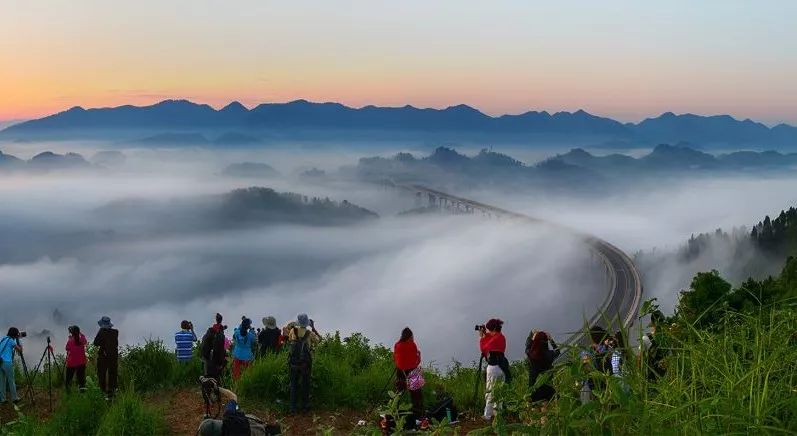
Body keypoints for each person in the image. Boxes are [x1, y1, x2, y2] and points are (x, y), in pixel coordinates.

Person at [284, 313, 321, 414]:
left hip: (293, 362)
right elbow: (319, 340)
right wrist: (313, 327)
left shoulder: (293, 330)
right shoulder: (310, 333)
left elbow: (290, 340)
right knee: (305, 385)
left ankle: (292, 408)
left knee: (293, 385)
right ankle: (304, 407)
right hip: (305, 363)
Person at [393, 327, 426, 426]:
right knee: (416, 395)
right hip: (412, 371)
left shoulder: (397, 344)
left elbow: (396, 358)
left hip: (400, 371)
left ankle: (394, 412)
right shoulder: (412, 345)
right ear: (410, 336)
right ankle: (419, 416)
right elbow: (416, 361)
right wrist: (419, 354)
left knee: (398, 393)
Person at [478, 318, 506, 421]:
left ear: (492, 329)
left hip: (493, 368)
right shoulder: (501, 337)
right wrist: (486, 334)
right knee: (499, 391)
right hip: (502, 367)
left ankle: (487, 415)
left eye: (489, 329)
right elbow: (492, 337)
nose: (488, 331)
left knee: (490, 391)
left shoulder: (494, 339)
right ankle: (498, 413)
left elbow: (484, 349)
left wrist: (482, 337)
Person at [525, 330, 560, 403]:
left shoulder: (531, 355)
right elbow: (557, 351)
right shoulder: (549, 355)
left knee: (538, 411)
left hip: (534, 390)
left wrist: (532, 337)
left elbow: (527, 347)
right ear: (546, 342)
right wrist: (551, 339)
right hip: (548, 390)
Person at [579, 325, 609, 404]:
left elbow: (587, 368)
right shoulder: (606, 349)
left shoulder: (586, 352)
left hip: (591, 386)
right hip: (604, 385)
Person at [93, 316, 119, 399]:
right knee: (113, 373)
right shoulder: (115, 332)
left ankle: (102, 392)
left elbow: (96, 343)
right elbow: (116, 344)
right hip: (114, 355)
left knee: (102, 374)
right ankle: (112, 391)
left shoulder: (101, 332)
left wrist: (100, 331)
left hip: (103, 356)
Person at [640, 310, 668, 380]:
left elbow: (640, 358)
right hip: (665, 373)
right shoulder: (666, 338)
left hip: (651, 375)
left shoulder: (646, 338)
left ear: (652, 324)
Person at [201, 313, 228, 383]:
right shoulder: (221, 335)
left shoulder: (210, 331)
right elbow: (223, 349)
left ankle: (206, 380)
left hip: (207, 355)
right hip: (217, 357)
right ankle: (219, 382)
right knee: (223, 363)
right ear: (221, 320)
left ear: (216, 320)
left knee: (207, 372)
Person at [0, 328, 23, 404]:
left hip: (0, 361)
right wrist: (20, 341)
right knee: (11, 380)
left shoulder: (3, 338)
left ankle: (3, 399)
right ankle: (15, 398)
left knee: (2, 381)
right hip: (7, 362)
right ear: (15, 334)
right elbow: (19, 350)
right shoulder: (11, 341)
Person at [65, 325, 88, 392]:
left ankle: (68, 391)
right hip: (81, 362)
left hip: (71, 362)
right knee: (81, 379)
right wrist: (80, 333)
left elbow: (67, 348)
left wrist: (70, 338)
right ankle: (82, 391)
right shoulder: (82, 340)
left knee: (69, 378)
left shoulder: (70, 340)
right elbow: (85, 341)